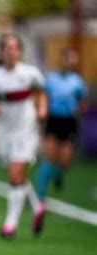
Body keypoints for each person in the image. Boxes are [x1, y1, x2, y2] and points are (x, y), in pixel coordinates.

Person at [0, 33, 47, 239]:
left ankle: (10, 224)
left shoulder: (30, 73)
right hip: (3, 130)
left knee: (15, 175)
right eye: (6, 48)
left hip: (26, 129)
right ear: (2, 51)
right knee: (16, 176)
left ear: (19, 51)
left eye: (14, 47)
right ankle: (37, 207)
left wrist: (42, 108)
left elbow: (41, 92)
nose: (10, 51)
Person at [35, 48, 88, 225]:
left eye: (74, 60)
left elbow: (82, 101)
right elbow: (43, 97)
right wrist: (42, 111)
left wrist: (80, 109)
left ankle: (58, 175)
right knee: (50, 157)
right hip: (54, 120)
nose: (71, 63)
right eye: (69, 59)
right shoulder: (51, 79)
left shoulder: (78, 81)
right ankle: (40, 193)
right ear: (63, 60)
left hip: (69, 122)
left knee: (65, 161)